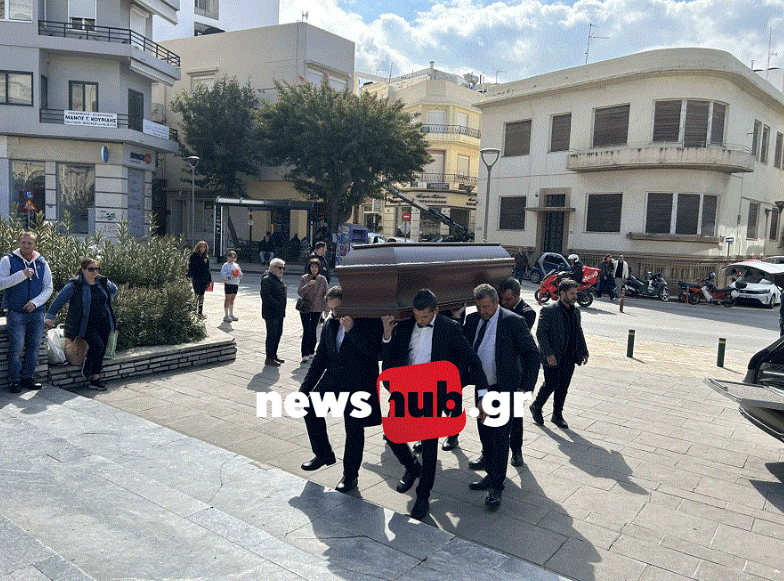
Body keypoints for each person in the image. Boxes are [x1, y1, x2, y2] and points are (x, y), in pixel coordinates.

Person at [381, 288, 489, 521]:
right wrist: (387, 335)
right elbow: (391, 356)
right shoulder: (405, 325)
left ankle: (422, 497)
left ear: (436, 311)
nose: (420, 320)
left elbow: (472, 359)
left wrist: (483, 394)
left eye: (425, 316)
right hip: (405, 388)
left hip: (432, 393)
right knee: (392, 434)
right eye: (417, 316)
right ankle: (412, 468)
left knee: (429, 450)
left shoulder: (450, 328)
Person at [299, 286, 384, 493]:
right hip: (333, 381)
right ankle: (323, 454)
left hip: (358, 385)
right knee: (310, 409)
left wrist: (351, 330)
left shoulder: (366, 321)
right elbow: (320, 358)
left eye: (337, 309)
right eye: (331, 309)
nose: (334, 313)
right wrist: (304, 389)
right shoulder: (330, 324)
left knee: (354, 430)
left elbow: (375, 353)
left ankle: (350, 475)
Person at [463, 284, 540, 508]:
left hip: (504, 388)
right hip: (482, 387)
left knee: (499, 438)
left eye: (487, 306)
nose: (483, 311)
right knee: (485, 433)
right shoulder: (473, 320)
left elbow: (533, 354)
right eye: (479, 307)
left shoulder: (513, 321)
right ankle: (490, 474)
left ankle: (497, 486)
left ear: (496, 302)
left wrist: (525, 386)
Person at [45, 258, 117, 391]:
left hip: (104, 321)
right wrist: (49, 316)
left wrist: (106, 300)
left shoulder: (102, 281)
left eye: (96, 269)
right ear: (83, 270)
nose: (94, 272)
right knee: (97, 345)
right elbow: (59, 300)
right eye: (91, 269)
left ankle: (95, 379)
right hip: (86, 323)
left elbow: (113, 289)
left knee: (101, 351)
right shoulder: (75, 284)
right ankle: (88, 363)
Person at [530, 279, 589, 430]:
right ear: (562, 293)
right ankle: (536, 406)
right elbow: (541, 333)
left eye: (576, 293)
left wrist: (584, 351)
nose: (575, 296)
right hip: (553, 355)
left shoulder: (576, 311)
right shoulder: (549, 310)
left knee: (563, 386)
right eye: (572, 293)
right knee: (552, 383)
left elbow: (579, 331)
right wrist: (548, 353)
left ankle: (557, 414)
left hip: (569, 355)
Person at [0, 232, 53, 393]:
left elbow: (48, 288)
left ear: (35, 245)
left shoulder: (42, 263)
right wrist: (21, 275)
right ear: (19, 243)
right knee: (16, 347)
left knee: (34, 347)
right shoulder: (7, 260)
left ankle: (28, 377)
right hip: (16, 312)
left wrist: (35, 303)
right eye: (23, 242)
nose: (26, 246)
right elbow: (1, 284)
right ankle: (14, 380)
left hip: (37, 313)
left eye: (30, 243)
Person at [298, 258, 328, 362]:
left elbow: (326, 294)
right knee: (306, 329)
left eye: (316, 266)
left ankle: (311, 351)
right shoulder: (304, 278)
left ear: (319, 268)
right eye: (312, 266)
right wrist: (308, 285)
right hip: (305, 307)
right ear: (309, 268)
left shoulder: (322, 279)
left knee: (313, 329)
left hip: (317, 308)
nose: (314, 269)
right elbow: (300, 292)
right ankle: (304, 353)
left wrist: (327, 309)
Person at [260, 258, 286, 366]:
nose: (282, 270)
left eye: (283, 268)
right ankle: (269, 358)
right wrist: (277, 305)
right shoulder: (267, 279)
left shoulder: (277, 278)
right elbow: (265, 296)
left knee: (278, 334)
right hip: (271, 313)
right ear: (272, 268)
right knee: (272, 335)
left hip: (279, 313)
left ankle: (274, 354)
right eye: (279, 268)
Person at [187, 241, 211, 319]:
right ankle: (194, 312)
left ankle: (200, 312)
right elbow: (192, 268)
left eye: (204, 247)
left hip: (204, 279)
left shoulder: (205, 257)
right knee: (197, 295)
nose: (203, 248)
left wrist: (209, 280)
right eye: (201, 247)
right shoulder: (193, 256)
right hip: (197, 278)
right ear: (198, 247)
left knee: (202, 296)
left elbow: (208, 269)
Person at [220, 250, 243, 323]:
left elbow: (241, 274)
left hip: (235, 284)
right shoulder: (225, 265)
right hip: (229, 284)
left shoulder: (236, 265)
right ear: (228, 257)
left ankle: (231, 314)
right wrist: (231, 276)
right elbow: (223, 275)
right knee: (228, 299)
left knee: (232, 299)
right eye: (231, 257)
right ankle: (226, 315)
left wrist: (238, 273)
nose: (232, 258)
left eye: (234, 257)